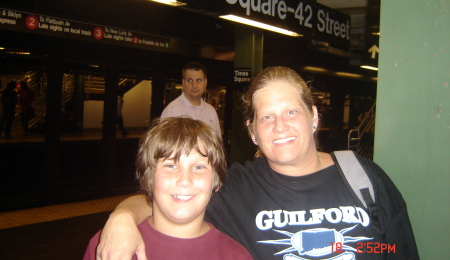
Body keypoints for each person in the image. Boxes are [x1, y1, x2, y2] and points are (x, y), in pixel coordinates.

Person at [96, 67, 419, 260]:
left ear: (314, 117)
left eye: (291, 112)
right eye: (266, 117)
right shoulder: (237, 186)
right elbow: (171, 194)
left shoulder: (364, 178)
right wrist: (122, 217)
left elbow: (398, 251)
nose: (280, 126)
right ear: (252, 132)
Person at [83, 117, 253, 260]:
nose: (184, 180)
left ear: (216, 181)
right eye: (171, 166)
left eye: (199, 167)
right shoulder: (109, 246)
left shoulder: (236, 255)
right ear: (148, 177)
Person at [161, 62, 221, 135]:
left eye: (198, 80)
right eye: (190, 80)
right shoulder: (172, 110)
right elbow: (163, 144)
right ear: (183, 82)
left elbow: (218, 143)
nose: (194, 85)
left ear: (205, 82)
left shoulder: (211, 111)